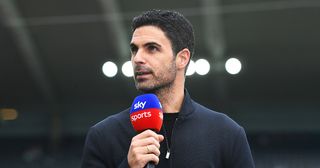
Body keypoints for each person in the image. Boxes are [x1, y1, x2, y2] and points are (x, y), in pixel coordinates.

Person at [81, 9, 255, 168]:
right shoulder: (103, 135)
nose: (137, 58)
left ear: (182, 58)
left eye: (152, 48)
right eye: (134, 50)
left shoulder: (226, 133)